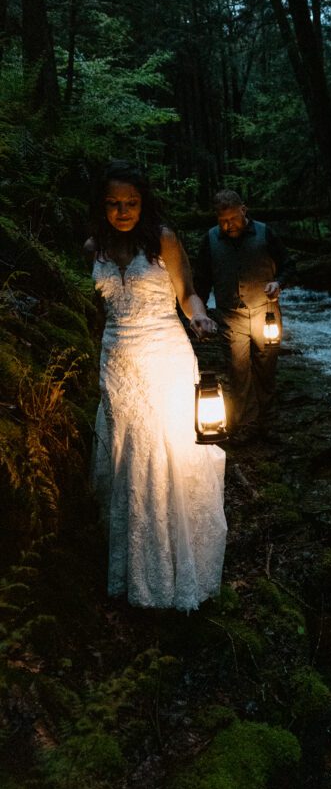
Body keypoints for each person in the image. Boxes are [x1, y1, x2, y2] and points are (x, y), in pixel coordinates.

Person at [85, 160, 227, 611]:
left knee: (165, 453)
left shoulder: (162, 240)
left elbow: (187, 293)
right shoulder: (95, 247)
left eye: (130, 203)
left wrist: (200, 316)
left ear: (143, 203)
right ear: (102, 206)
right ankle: (132, 576)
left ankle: (175, 573)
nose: (122, 211)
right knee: (128, 457)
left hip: (164, 354)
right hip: (117, 362)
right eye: (113, 204)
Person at [193, 189, 294, 441]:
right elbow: (202, 279)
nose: (228, 225)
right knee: (238, 371)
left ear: (243, 211)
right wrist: (199, 313)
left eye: (233, 219)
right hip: (230, 316)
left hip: (266, 313)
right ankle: (246, 424)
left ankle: (267, 422)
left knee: (266, 367)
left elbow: (288, 265)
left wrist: (278, 283)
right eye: (222, 221)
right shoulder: (210, 240)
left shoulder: (265, 232)